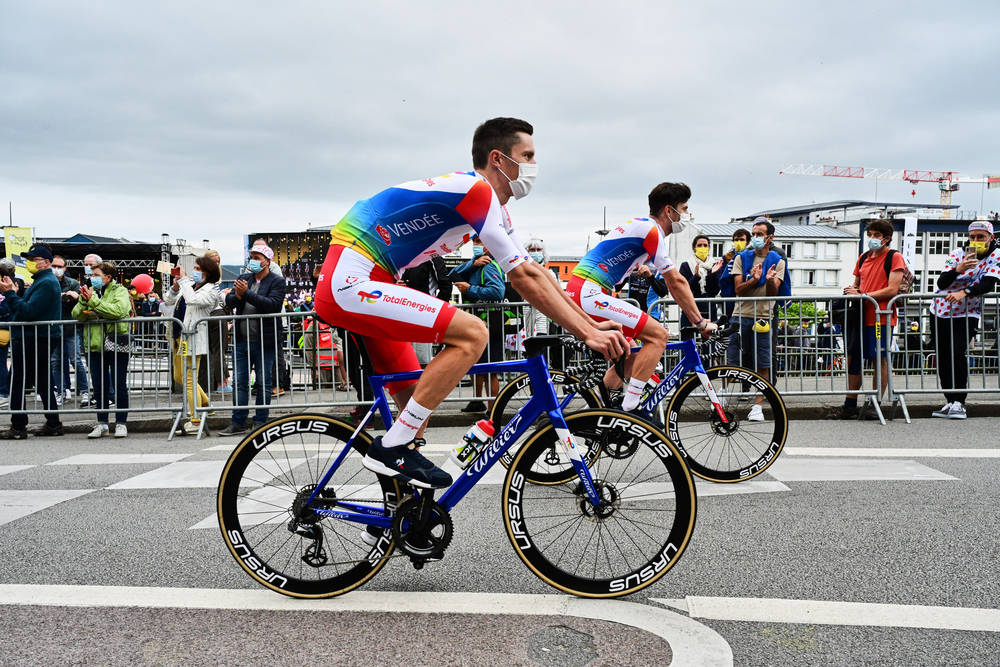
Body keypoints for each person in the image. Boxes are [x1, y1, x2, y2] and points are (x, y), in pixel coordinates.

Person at [314, 116, 628, 492]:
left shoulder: (495, 209)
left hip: (374, 280)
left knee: (417, 405)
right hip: (352, 280)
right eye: (528, 155)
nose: (534, 165)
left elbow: (537, 272)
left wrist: (590, 325)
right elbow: (521, 278)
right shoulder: (477, 191)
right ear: (498, 158)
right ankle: (390, 449)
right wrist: (587, 334)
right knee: (473, 334)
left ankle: (401, 514)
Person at [567, 182, 718, 413]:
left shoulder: (643, 226)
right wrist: (700, 322)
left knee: (630, 354)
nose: (687, 215)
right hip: (589, 292)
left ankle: (593, 412)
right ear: (669, 210)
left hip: (586, 291)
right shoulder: (652, 231)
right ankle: (632, 407)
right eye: (685, 209)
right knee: (658, 336)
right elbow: (675, 282)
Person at [829, 219, 907, 420]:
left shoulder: (894, 257)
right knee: (853, 358)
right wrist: (852, 291)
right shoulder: (863, 257)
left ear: (886, 239)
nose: (872, 238)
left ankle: (875, 404)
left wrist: (863, 294)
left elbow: (892, 289)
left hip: (880, 317)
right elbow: (856, 284)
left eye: (876, 235)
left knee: (878, 359)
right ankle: (850, 405)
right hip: (859, 316)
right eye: (870, 234)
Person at [929, 221, 1000, 419]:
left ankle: (960, 402)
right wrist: (958, 269)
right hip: (941, 309)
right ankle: (949, 401)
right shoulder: (957, 254)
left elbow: (988, 284)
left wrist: (965, 292)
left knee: (957, 352)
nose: (976, 240)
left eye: (981, 237)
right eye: (972, 237)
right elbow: (942, 283)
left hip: (967, 312)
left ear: (991, 238)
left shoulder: (996, 255)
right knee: (943, 356)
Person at [720, 219, 789, 421]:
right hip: (740, 315)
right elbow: (738, 290)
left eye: (760, 234)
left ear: (770, 237)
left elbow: (773, 293)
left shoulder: (778, 261)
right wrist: (754, 279)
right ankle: (722, 396)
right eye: (754, 234)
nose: (756, 238)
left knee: (763, 362)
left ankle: (758, 407)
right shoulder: (742, 258)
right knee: (731, 359)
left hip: (764, 318)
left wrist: (769, 281)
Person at [220, 243, 287, 436]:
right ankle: (238, 422)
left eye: (257, 258)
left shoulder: (277, 281)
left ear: (267, 261)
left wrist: (246, 293)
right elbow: (231, 302)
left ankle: (260, 421)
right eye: (252, 257)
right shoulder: (243, 278)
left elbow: (272, 305)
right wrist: (239, 296)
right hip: (242, 340)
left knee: (264, 383)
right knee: (240, 383)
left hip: (265, 342)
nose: (253, 261)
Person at [0, 245, 64, 439]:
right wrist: (14, 294)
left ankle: (18, 427)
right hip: (38, 337)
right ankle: (53, 423)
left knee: (17, 380)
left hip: (35, 338)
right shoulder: (43, 281)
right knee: (42, 380)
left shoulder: (45, 282)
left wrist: (10, 294)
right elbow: (25, 311)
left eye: (33, 260)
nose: (29, 263)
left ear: (46, 262)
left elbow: (28, 311)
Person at [164, 255, 223, 432]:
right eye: (194, 268)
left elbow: (192, 300)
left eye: (198, 269)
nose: (194, 271)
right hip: (179, 336)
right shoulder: (189, 285)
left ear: (207, 273)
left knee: (189, 379)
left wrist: (183, 280)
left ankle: (195, 420)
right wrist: (175, 287)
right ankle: (205, 403)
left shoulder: (211, 291)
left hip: (194, 338)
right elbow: (168, 300)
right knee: (179, 376)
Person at [73, 262, 131, 438]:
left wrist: (93, 303)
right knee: (99, 386)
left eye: (97, 275)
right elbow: (76, 314)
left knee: (119, 384)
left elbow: (117, 311)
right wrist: (85, 301)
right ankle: (102, 423)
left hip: (117, 343)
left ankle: (121, 423)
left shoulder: (120, 291)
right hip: (94, 345)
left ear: (108, 277)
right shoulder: (89, 291)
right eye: (92, 275)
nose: (93, 278)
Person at [449, 236, 507, 413]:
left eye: (480, 242)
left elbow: (498, 292)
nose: (476, 245)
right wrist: (472, 264)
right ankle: (477, 401)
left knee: (490, 369)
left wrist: (469, 289)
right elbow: (452, 274)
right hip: (478, 323)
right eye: (474, 242)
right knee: (475, 365)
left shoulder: (490, 265)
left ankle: (492, 409)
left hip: (490, 324)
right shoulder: (477, 264)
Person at [49, 255, 90, 406]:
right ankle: (61, 391)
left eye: (59, 266)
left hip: (70, 328)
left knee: (75, 360)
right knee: (56, 362)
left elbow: (80, 302)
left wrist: (75, 296)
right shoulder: (47, 282)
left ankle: (85, 391)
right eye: (54, 266)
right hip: (53, 328)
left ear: (65, 268)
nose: (56, 269)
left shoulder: (72, 283)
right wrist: (60, 296)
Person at [402, 255, 452, 366]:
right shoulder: (405, 255)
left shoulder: (432, 257)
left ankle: (423, 376)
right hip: (402, 313)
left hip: (423, 315)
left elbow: (446, 285)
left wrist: (436, 309)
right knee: (404, 357)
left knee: (421, 357)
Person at [678, 235, 721, 340]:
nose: (703, 248)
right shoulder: (686, 265)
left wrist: (713, 274)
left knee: (709, 344)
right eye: (699, 245)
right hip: (690, 312)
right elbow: (684, 289)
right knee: (688, 344)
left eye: (705, 245)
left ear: (709, 248)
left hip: (709, 311)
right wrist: (696, 277)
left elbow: (715, 290)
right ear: (694, 248)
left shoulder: (715, 265)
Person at [201, 250, 230, 393]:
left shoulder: (203, 278)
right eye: (214, 261)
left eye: (217, 262)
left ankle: (219, 382)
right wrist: (224, 295)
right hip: (216, 314)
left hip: (208, 315)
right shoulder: (212, 280)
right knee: (219, 351)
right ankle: (221, 383)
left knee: (214, 351)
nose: (216, 264)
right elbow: (215, 299)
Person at [0, 258, 26, 409]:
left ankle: (4, 393)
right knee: (14, 361)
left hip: (8, 327)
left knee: (3, 361)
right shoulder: (20, 282)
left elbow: (5, 308)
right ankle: (7, 391)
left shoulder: (10, 285)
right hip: (14, 326)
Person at [716, 228, 751, 318]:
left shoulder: (751, 256)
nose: (738, 242)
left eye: (742, 240)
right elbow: (723, 276)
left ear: (748, 242)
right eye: (736, 240)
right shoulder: (728, 257)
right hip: (730, 294)